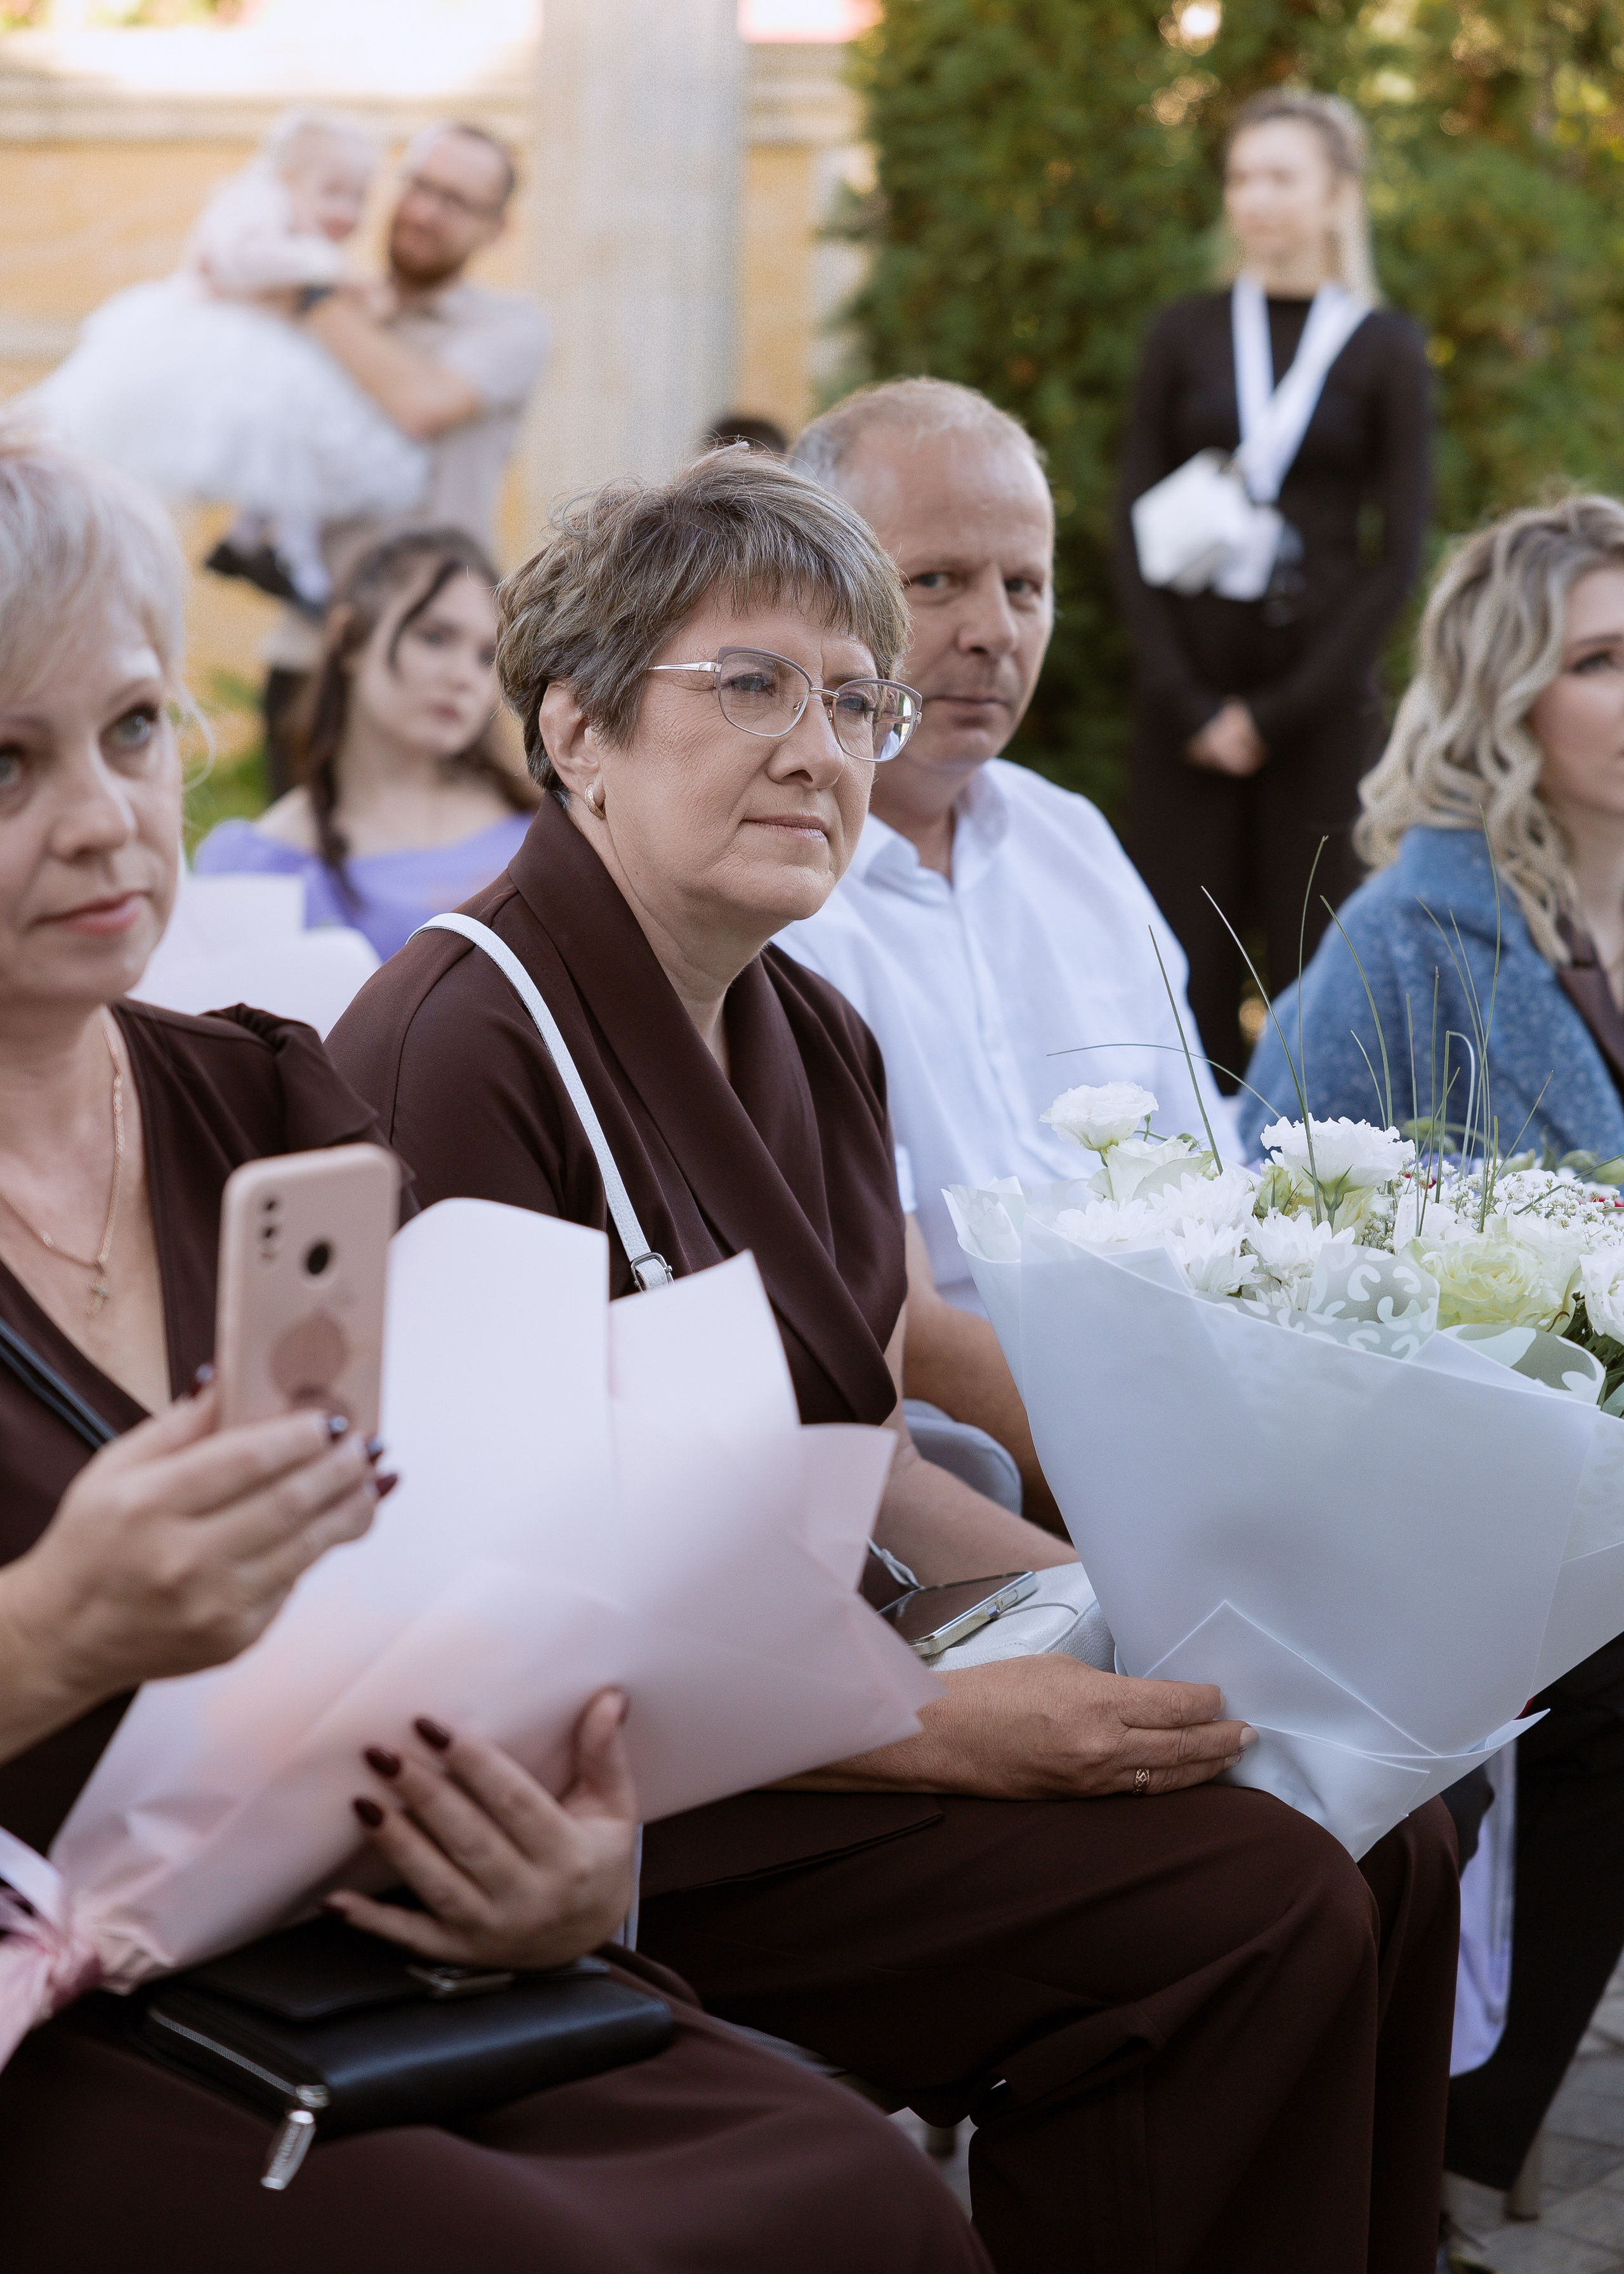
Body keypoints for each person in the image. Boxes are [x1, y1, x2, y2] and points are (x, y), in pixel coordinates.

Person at [329, 447, 1461, 2274]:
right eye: (753, 686)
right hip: (632, 1796)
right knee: (1243, 1904)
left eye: (856, 698)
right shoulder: (465, 1048)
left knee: (1376, 1823)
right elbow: (492, 1619)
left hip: (833, 1692)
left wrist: (1158, 1611)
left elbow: (861, 1449)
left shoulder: (815, 1036)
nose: (821, 747)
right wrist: (953, 1738)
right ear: (577, 731)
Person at [0, 433, 990, 2274]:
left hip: (372, 1954)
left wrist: (570, 1869)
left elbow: (458, 1595)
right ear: (574, 733)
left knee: (853, 2195)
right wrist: (59, 1628)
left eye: (133, 731)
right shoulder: (452, 1032)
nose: (98, 815)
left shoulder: (273, 1111)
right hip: (65, 2026)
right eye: (7, 760)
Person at [1240, 495, 1624, 2205]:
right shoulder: (1417, 933)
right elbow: (1265, 1220)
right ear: (1506, 692)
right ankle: (1471, 2118)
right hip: (1443, 1490)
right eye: (1605, 658)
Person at [782, 376, 1236, 1527]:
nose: (993, 630)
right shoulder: (782, 891)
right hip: (976, 1494)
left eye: (1025, 585)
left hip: (1202, 1429)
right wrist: (1175, 1500)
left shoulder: (1072, 844)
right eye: (936, 581)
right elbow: (900, 1324)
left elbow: (1222, 1193)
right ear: (813, 591)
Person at [1115, 88, 1431, 1092]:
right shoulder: (1184, 333)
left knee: (1319, 958)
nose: (1255, 198)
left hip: (1319, 713)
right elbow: (1127, 521)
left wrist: (1283, 713)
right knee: (1179, 965)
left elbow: (1398, 553)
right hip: (1185, 713)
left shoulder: (1385, 347)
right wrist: (1190, 703)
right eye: (1242, 176)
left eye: (1280, 176)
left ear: (1339, 195)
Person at [24, 108, 427, 614]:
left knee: (287, 442)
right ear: (289, 178)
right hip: (213, 335)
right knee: (249, 435)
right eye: (333, 192)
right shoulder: (256, 202)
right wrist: (322, 266)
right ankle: (267, 545)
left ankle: (258, 539)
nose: (347, 211)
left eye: (359, 198)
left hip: (268, 343)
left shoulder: (302, 227)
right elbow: (237, 259)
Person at [254, 121, 550, 793]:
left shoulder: (509, 327)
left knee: (437, 883)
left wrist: (306, 292)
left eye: (456, 202)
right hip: (314, 648)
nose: (423, 210)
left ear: (496, 230)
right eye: (419, 185)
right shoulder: (338, 300)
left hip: (441, 665)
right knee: (305, 876)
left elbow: (420, 403)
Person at [193, 527, 537, 962]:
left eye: (487, 656)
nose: (464, 677)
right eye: (434, 637)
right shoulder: (263, 866)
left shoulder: (542, 828)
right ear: (350, 638)